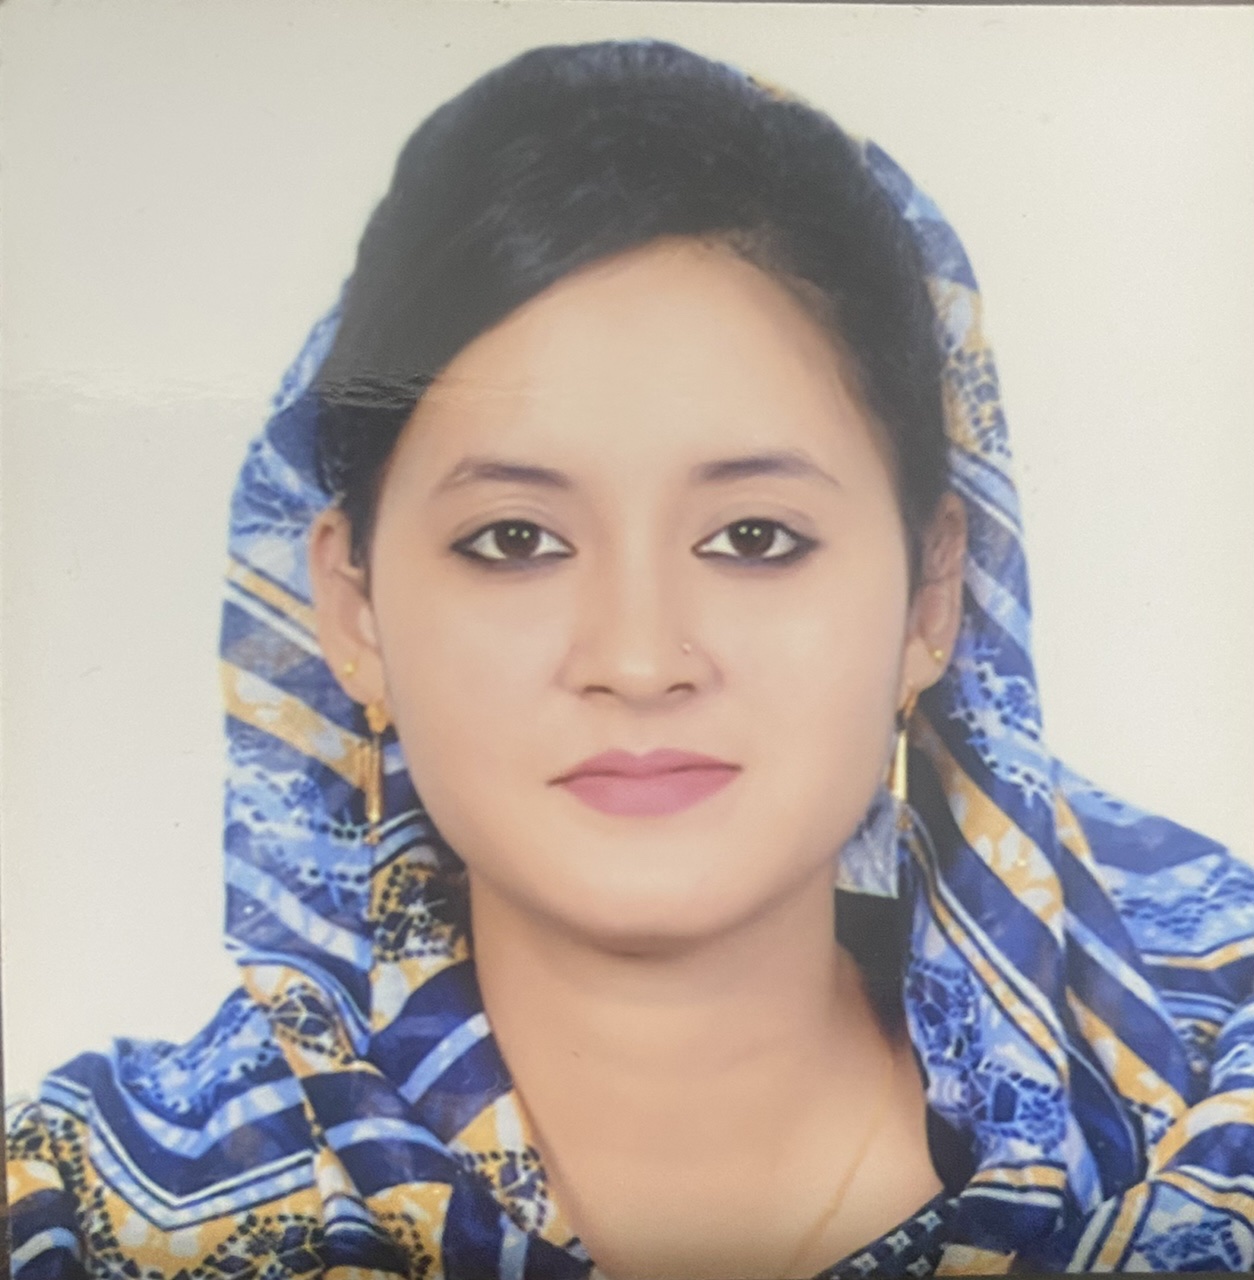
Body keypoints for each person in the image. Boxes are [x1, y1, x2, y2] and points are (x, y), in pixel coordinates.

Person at [6, 39, 1253, 1279]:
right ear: (355, 609)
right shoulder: (82, 1220)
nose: (642, 658)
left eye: (754, 536)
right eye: (516, 538)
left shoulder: (1215, 1130)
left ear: (932, 595)